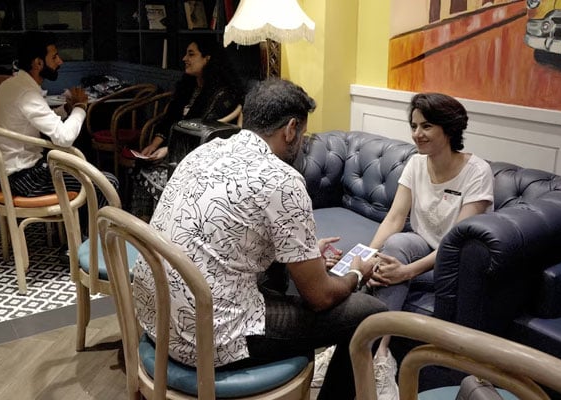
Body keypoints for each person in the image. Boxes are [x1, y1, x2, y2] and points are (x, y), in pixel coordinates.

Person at [131, 78, 387, 400]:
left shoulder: (205, 151)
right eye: (303, 135)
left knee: (283, 277)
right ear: (291, 128)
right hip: (206, 338)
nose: (302, 144)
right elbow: (319, 297)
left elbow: (231, 233)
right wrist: (356, 273)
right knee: (371, 314)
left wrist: (303, 253)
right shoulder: (282, 179)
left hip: (159, 317)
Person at [369, 93, 494, 400]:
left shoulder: (477, 172)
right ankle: (380, 355)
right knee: (393, 246)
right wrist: (367, 257)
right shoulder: (415, 163)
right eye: (413, 126)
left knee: (393, 265)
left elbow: (456, 242)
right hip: (420, 247)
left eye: (426, 126)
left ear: (448, 129)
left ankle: (372, 358)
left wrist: (405, 272)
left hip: (455, 264)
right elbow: (396, 217)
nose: (416, 134)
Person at [0, 31, 118, 204]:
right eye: (54, 57)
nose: (60, 62)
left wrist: (66, 109)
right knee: (108, 182)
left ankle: (83, 230)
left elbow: (35, 119)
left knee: (92, 176)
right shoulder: (27, 93)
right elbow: (64, 138)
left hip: (16, 174)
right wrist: (80, 107)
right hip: (26, 179)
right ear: (38, 63)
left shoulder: (15, 84)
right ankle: (90, 232)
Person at [130, 36, 243, 218]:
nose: (185, 59)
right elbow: (169, 120)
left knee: (151, 175)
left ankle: (162, 229)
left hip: (197, 157)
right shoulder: (188, 86)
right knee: (139, 168)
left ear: (207, 58)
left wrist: (167, 150)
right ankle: (143, 228)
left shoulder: (222, 94)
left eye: (191, 54)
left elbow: (201, 134)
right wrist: (154, 144)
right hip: (175, 150)